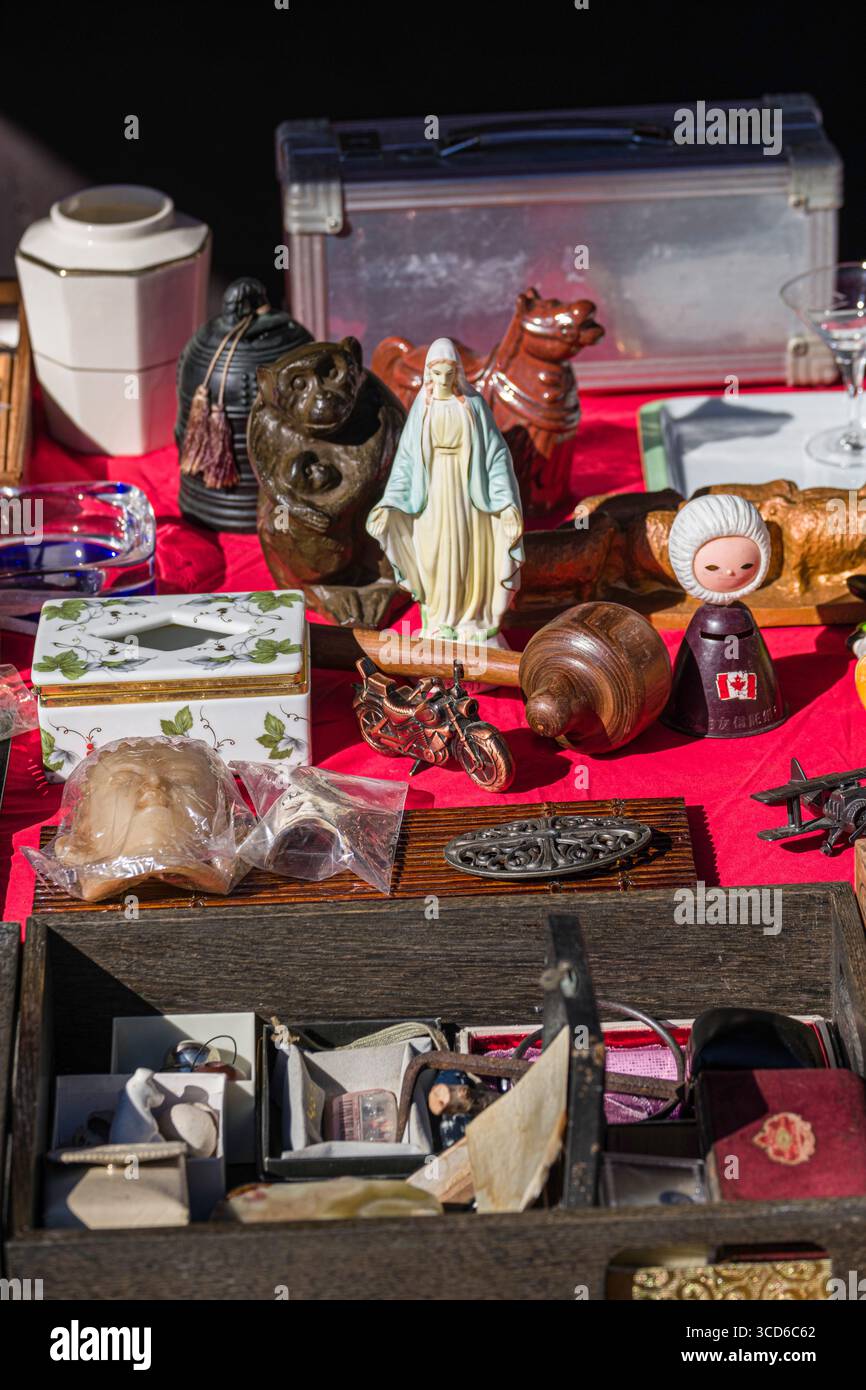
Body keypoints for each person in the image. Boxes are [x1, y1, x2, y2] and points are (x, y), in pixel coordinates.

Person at [367, 338, 524, 642]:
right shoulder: (422, 410)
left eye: (448, 374)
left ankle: (470, 618)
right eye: (436, 374)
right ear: (428, 374)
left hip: (468, 494)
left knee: (467, 553)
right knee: (435, 553)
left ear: (458, 373)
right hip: (433, 494)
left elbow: (496, 454)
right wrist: (389, 505)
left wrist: (506, 504)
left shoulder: (473, 406)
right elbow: (407, 461)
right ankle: (440, 618)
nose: (442, 380)